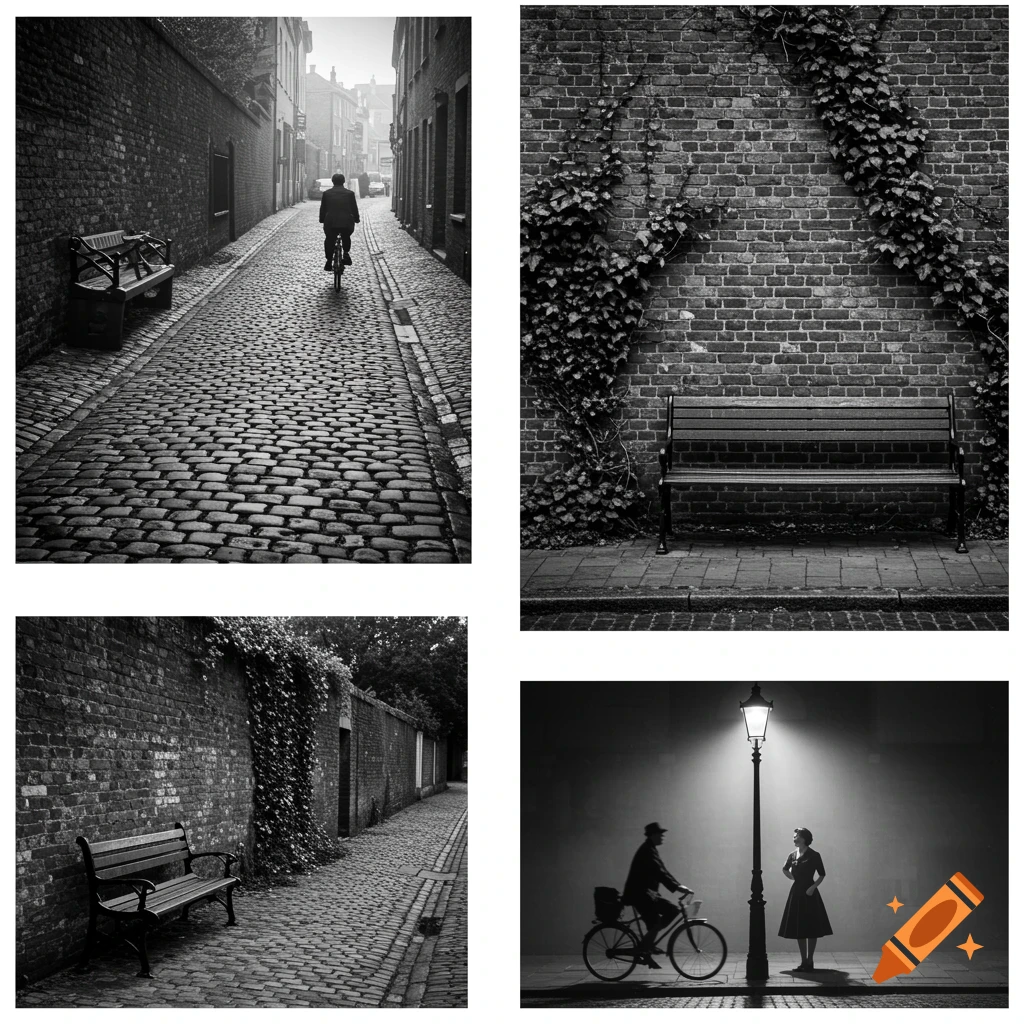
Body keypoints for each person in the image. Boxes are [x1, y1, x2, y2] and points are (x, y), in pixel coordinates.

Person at [622, 822, 692, 968]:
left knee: (671, 911)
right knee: (655, 922)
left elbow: (663, 871)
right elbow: (659, 873)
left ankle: (647, 946)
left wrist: (678, 885)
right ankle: (642, 949)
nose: (662, 836)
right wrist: (678, 887)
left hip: (648, 894)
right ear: (653, 835)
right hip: (640, 894)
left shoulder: (651, 849)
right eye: (660, 834)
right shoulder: (647, 851)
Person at [779, 826, 832, 971]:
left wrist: (813, 887)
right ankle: (803, 961)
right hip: (797, 892)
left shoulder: (814, 855)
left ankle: (810, 960)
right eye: (794, 836)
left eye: (796, 836)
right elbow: (784, 869)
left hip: (809, 892)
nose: (794, 838)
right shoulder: (792, 855)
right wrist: (793, 878)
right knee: (799, 926)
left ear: (804, 838)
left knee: (812, 926)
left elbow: (822, 874)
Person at [319, 173, 360, 271]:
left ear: (332, 181)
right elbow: (354, 209)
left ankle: (328, 261)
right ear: (344, 182)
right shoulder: (350, 194)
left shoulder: (326, 193)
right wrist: (356, 219)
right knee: (346, 236)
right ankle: (346, 253)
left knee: (329, 240)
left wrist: (322, 219)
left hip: (330, 223)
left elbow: (323, 209)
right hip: (346, 223)